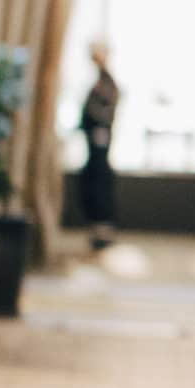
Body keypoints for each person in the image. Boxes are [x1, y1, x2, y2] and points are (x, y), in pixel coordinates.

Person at [79, 44, 119, 251]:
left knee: (99, 181)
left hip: (100, 141)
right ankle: (96, 225)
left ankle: (103, 227)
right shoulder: (100, 81)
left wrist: (98, 124)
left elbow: (104, 111)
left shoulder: (107, 83)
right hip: (93, 142)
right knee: (92, 180)